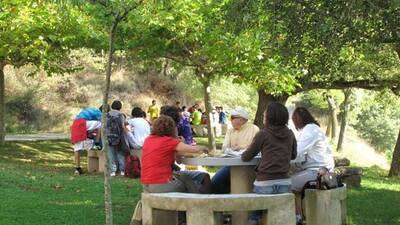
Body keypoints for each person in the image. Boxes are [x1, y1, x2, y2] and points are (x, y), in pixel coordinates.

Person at [242, 102, 297, 225]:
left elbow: (246, 157)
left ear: (269, 117)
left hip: (264, 184)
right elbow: (293, 155)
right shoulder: (290, 134)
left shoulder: (263, 133)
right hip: (285, 183)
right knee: (282, 215)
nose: (263, 116)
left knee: (255, 216)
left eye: (265, 115)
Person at [141, 115, 211, 193]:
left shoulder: (148, 140)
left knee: (185, 178)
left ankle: (197, 198)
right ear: (172, 128)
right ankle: (200, 199)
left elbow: (178, 160)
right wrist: (204, 147)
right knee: (188, 181)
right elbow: (194, 149)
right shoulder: (169, 141)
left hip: (146, 183)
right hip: (161, 183)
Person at [290, 107, 335, 225]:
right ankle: (299, 216)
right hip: (322, 169)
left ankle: (297, 218)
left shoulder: (310, 130)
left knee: (285, 184)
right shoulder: (314, 129)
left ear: (298, 120)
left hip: (318, 172)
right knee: (292, 179)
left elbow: (297, 151)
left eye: (294, 120)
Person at [211, 107, 260, 194]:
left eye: (232, 118)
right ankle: (226, 203)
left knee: (243, 184)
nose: (230, 120)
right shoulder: (230, 131)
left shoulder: (254, 129)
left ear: (241, 119)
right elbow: (224, 148)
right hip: (232, 165)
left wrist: (239, 147)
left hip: (249, 165)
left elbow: (255, 148)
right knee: (215, 182)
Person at [71, 105, 107, 175]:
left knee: (77, 149)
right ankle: (97, 144)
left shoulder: (92, 109)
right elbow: (103, 124)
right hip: (82, 123)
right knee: (100, 124)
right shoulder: (99, 113)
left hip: (75, 124)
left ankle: (77, 168)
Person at [106, 100, 129, 177]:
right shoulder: (121, 115)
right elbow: (123, 126)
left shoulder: (107, 114)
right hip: (119, 137)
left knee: (111, 154)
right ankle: (122, 170)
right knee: (120, 153)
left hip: (109, 137)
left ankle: (113, 171)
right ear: (120, 107)